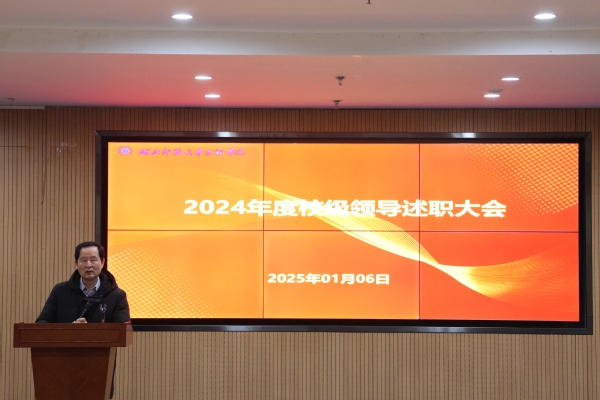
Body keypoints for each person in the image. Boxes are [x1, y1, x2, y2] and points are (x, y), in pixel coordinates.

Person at [36, 241, 130, 323]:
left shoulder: (117, 296)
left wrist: (87, 331)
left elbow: (122, 331)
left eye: (93, 260)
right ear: (76, 263)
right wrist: (69, 330)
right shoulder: (60, 291)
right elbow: (42, 323)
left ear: (102, 262)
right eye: (84, 260)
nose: (88, 265)